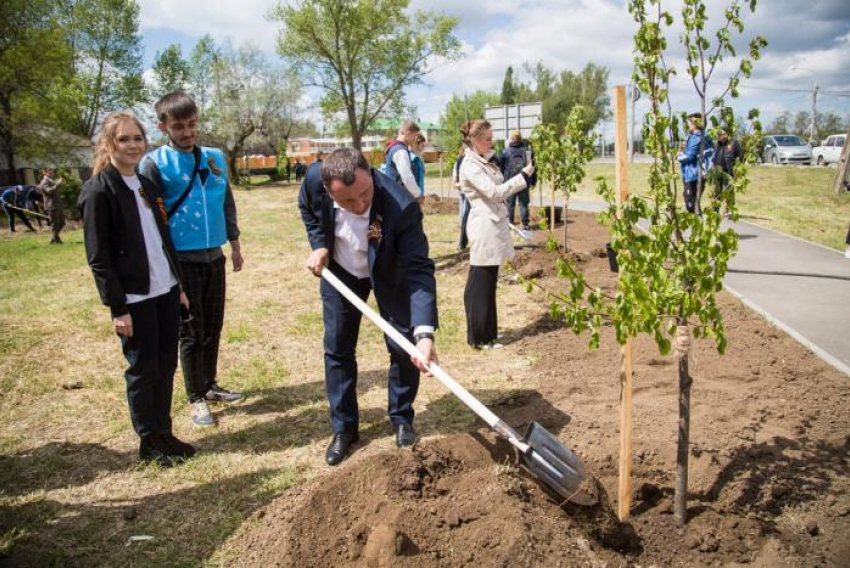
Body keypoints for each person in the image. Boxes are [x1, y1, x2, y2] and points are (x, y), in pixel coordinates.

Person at [299, 148, 438, 465]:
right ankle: (344, 429)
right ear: (327, 189)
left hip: (389, 273)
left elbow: (418, 270)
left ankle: (402, 417)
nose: (360, 205)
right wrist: (320, 244)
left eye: (365, 194)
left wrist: (425, 334)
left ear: (371, 175)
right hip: (341, 271)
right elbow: (307, 208)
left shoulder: (401, 206)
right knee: (337, 346)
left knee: (403, 346)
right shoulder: (312, 180)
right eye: (348, 201)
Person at [78, 110, 195, 467]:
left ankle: (165, 432)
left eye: (137, 138)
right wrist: (118, 307)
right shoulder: (99, 191)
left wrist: (178, 286)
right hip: (134, 298)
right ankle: (149, 440)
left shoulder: (146, 184)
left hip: (164, 290)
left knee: (165, 364)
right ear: (109, 144)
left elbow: (164, 240)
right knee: (143, 370)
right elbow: (99, 257)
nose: (132, 145)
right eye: (124, 139)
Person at [140, 92, 245, 428]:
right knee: (191, 329)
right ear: (163, 126)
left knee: (213, 325)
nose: (187, 132)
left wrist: (235, 243)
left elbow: (226, 201)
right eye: (179, 126)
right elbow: (151, 218)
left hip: (215, 256)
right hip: (181, 261)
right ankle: (195, 397)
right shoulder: (153, 163)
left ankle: (209, 384)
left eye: (192, 124)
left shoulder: (215, 157)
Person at [459, 120, 534, 349]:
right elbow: (494, 192)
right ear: (475, 140)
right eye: (488, 138)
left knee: (489, 281)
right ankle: (478, 337)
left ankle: (489, 334)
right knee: (480, 282)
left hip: (492, 225)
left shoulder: (483, 160)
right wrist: (522, 176)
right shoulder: (470, 165)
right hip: (484, 228)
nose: (492, 142)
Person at [677, 113, 715, 214]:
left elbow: (689, 156)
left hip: (695, 175)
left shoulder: (698, 137)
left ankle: (699, 225)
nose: (688, 125)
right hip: (691, 174)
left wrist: (678, 156)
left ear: (696, 125)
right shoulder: (693, 136)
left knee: (691, 204)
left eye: (690, 123)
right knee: (690, 201)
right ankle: (698, 225)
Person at [501, 130, 537, 231]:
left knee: (510, 204)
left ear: (511, 138)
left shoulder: (505, 152)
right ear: (521, 138)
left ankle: (510, 224)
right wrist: (533, 181)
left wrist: (502, 182)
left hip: (510, 182)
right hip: (524, 181)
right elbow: (532, 168)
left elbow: (501, 168)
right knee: (524, 203)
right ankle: (525, 225)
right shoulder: (528, 152)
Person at [384, 120, 422, 198]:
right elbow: (406, 176)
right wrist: (418, 194)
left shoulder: (395, 148)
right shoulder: (400, 151)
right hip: (399, 198)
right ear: (408, 133)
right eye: (415, 136)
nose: (415, 139)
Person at [713, 128, 743, 215]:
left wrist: (738, 168)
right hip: (718, 171)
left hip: (728, 172)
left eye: (722, 134)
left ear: (727, 134)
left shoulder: (734, 143)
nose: (720, 136)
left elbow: (741, 156)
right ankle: (715, 210)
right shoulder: (718, 144)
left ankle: (728, 209)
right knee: (717, 191)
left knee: (728, 191)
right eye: (719, 135)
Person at [38, 167, 65, 243]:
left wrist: (59, 184)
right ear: (45, 173)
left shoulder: (51, 181)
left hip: (57, 205)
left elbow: (55, 190)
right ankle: (56, 240)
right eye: (50, 172)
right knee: (55, 225)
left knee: (62, 223)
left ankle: (54, 238)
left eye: (52, 172)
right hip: (51, 206)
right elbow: (49, 191)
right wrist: (57, 184)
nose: (52, 174)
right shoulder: (44, 182)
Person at [452, 146, 469, 250]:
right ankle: (461, 241)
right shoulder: (467, 160)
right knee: (465, 214)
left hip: (461, 188)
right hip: (465, 189)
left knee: (463, 213)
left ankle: (461, 241)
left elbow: (454, 173)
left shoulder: (458, 159)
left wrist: (455, 183)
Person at [409, 133, 426, 197]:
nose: (423, 148)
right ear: (416, 145)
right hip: (415, 193)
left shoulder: (419, 157)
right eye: (422, 145)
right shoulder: (413, 159)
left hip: (419, 191)